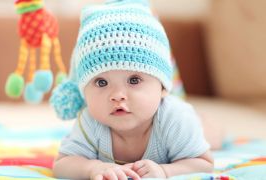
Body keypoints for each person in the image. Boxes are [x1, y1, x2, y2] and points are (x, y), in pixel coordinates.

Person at [50, 0, 214, 179]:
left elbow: (203, 163)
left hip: (190, 126)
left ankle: (208, 124)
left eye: (134, 80)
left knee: (210, 133)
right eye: (101, 83)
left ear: (162, 87)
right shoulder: (90, 122)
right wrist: (93, 168)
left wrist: (166, 171)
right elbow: (62, 165)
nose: (117, 95)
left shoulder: (175, 119)